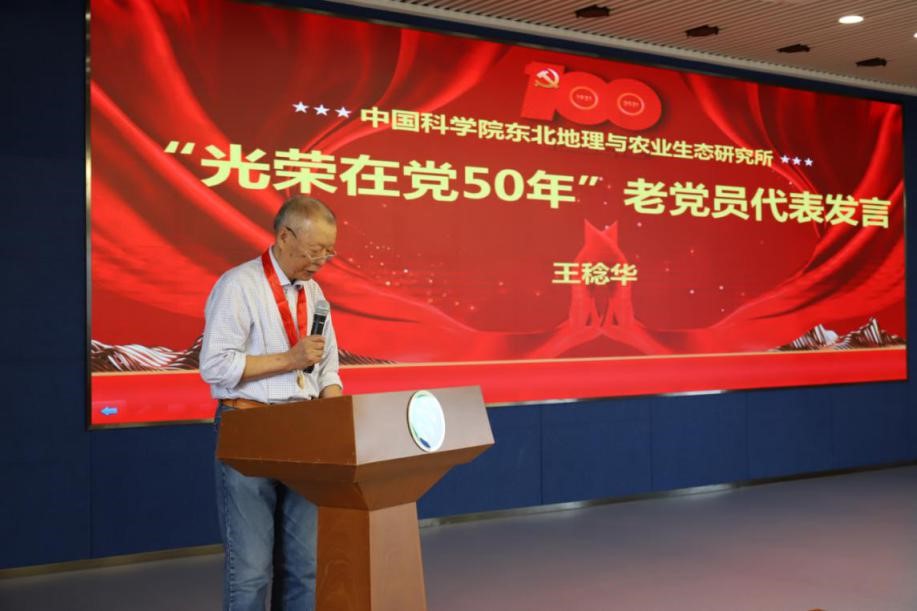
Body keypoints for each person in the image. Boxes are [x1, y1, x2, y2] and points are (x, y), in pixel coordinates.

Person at [200, 195, 343, 611]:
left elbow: (327, 368)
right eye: (315, 250)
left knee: (305, 566)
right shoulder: (239, 285)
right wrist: (290, 359)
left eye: (329, 252)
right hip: (250, 428)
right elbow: (215, 367)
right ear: (284, 237)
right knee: (250, 570)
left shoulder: (315, 293)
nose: (321, 261)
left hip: (305, 432)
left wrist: (336, 416)